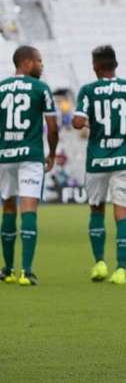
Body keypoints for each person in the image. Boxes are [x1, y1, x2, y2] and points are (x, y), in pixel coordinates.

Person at [72, 45, 126, 285]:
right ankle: (121, 270)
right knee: (123, 214)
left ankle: (99, 263)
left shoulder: (88, 90)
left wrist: (88, 124)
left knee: (96, 210)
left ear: (95, 66)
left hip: (97, 160)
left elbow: (77, 122)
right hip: (124, 159)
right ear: (115, 65)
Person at [0, 46, 58, 286]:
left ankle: (8, 270)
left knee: (8, 207)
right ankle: (26, 271)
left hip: (5, 156)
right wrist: (52, 153)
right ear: (26, 63)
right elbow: (52, 127)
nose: (42, 65)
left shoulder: (1, 87)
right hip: (31, 156)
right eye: (39, 61)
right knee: (29, 209)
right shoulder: (41, 88)